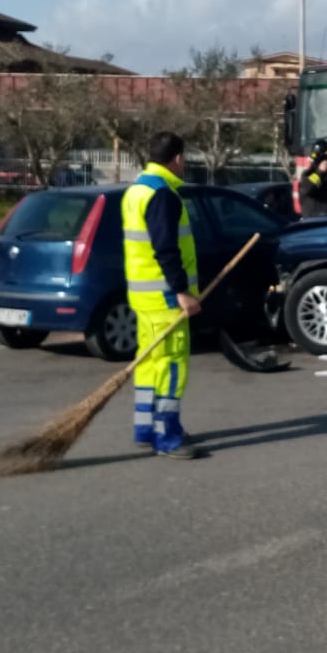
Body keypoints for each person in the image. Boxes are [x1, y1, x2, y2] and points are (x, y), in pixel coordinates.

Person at [122, 132, 202, 460]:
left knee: (148, 363)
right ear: (177, 158)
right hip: (165, 298)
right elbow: (165, 248)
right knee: (171, 365)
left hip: (142, 296)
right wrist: (182, 292)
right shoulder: (162, 195)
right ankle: (167, 436)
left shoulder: (135, 191)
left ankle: (145, 428)